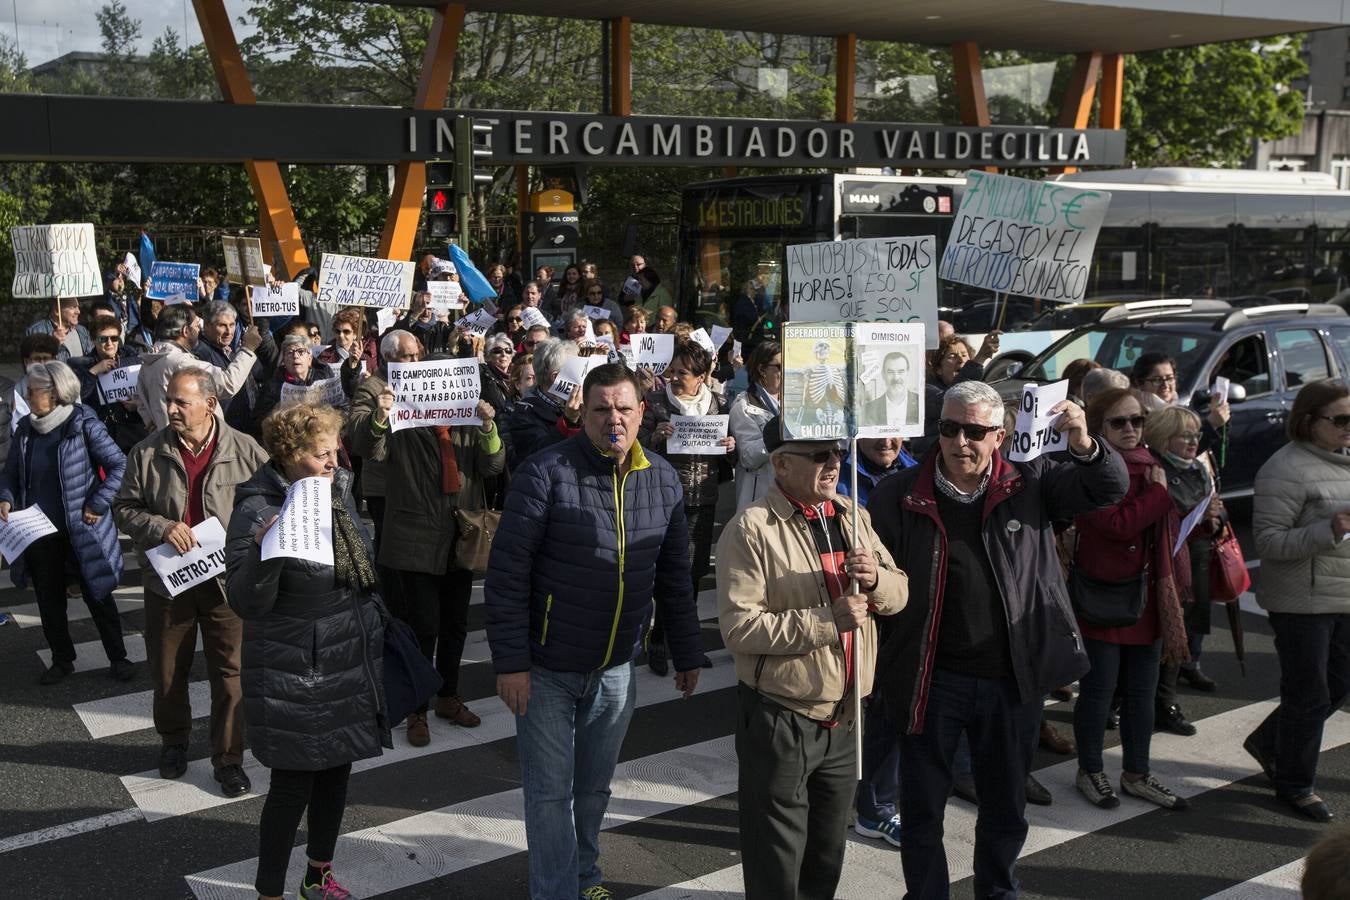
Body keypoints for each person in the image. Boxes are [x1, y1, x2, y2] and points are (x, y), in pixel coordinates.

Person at [868, 380, 1128, 899]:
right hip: (929, 679)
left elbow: (1108, 487)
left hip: (1011, 680)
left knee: (1006, 808)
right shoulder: (899, 492)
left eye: (973, 431)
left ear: (1000, 436)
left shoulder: (1030, 481)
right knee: (922, 810)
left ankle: (997, 891)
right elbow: (881, 583)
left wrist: (1084, 444)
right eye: (949, 429)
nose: (959, 442)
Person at [486, 363, 704, 900]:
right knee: (549, 795)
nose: (614, 419)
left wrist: (686, 651)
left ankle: (585, 876)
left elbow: (675, 577)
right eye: (602, 409)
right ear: (582, 412)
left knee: (592, 790)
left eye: (624, 408)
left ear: (641, 412)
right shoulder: (545, 473)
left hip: (615, 670)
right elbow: (507, 575)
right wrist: (511, 663)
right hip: (547, 668)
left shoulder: (662, 478)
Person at [717, 415, 908, 896]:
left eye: (838, 453)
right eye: (820, 455)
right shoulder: (751, 529)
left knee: (826, 853)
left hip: (847, 716)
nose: (834, 463)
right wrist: (828, 620)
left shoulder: (851, 513)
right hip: (782, 716)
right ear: (781, 464)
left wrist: (877, 580)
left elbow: (900, 593)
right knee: (777, 861)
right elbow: (740, 628)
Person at [226, 402, 389, 900]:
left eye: (335, 450)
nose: (334, 461)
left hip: (344, 661)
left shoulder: (336, 492)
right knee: (291, 788)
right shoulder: (256, 508)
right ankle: (269, 893)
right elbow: (245, 601)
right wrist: (264, 551)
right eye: (322, 453)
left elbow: (361, 569)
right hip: (294, 672)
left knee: (336, 776)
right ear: (290, 454)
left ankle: (318, 877)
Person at [112, 368, 267, 794]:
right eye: (169, 401)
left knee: (231, 673)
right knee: (167, 670)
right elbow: (124, 508)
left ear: (210, 404)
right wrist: (161, 527)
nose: (171, 409)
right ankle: (174, 742)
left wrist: (253, 536)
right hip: (169, 582)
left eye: (181, 401)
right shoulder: (146, 452)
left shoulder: (245, 449)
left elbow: (271, 502)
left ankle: (229, 759)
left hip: (226, 583)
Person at [366, 367, 505, 743]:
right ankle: (417, 708)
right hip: (416, 541)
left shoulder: (468, 424)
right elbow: (370, 450)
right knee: (423, 627)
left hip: (461, 538)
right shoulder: (403, 424)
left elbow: (493, 465)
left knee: (455, 625)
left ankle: (448, 696)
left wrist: (488, 427)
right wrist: (380, 417)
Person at [1071, 387, 1192, 811]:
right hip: (1104, 594)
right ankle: (1090, 769)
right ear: (1098, 427)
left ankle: (1137, 773)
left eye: (1137, 420)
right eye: (1119, 422)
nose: (1130, 429)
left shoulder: (1151, 464)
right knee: (1099, 690)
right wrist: (1157, 496)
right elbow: (1115, 525)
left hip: (1148, 596)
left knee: (1143, 692)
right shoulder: (1089, 468)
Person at [1245, 379, 1350, 822]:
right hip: (1300, 601)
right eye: (1341, 419)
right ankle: (1295, 783)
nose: (1349, 427)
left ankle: (1269, 743)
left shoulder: (1342, 457)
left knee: (1338, 684)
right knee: (1309, 694)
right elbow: (1268, 542)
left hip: (1340, 593)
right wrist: (1330, 530)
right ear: (1309, 421)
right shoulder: (1284, 468)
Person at [0, 360, 130, 684]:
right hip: (39, 534)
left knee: (98, 596)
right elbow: (10, 474)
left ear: (55, 393)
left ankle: (119, 657)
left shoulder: (83, 422)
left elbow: (119, 465)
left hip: (82, 530)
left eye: (33, 391)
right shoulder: (26, 429)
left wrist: (97, 503)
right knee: (49, 601)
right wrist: (6, 498)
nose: (27, 397)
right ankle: (62, 659)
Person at [639, 341, 735, 675]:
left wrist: (731, 446)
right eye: (673, 371)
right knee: (664, 570)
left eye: (684, 373)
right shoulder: (655, 402)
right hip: (664, 500)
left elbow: (732, 460)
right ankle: (657, 640)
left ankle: (686, 644)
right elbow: (635, 447)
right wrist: (653, 438)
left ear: (702, 376)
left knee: (693, 574)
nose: (676, 378)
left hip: (702, 500)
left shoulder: (719, 404)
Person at [1148, 406, 1227, 727]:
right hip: (1165, 567)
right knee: (1161, 638)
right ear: (1164, 438)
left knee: (1179, 637)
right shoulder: (1155, 470)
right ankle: (1142, 702)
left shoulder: (1198, 468)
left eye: (1196, 435)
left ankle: (1166, 703)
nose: (1194, 442)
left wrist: (1215, 518)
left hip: (1196, 563)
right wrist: (1198, 517)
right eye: (1185, 436)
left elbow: (1218, 512)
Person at [136, 304, 263, 430]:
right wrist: (248, 349)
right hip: (192, 439)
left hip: (169, 438)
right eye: (197, 326)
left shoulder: (149, 362)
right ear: (186, 331)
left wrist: (154, 424)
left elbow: (141, 402)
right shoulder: (180, 362)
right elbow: (228, 383)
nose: (199, 330)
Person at [68, 317, 148, 452]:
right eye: (103, 339)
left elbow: (149, 393)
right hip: (104, 436)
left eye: (114, 338)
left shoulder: (134, 360)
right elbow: (76, 398)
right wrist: (93, 372)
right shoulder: (82, 365)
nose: (109, 343)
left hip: (135, 433)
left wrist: (139, 404)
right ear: (93, 340)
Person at [501, 338, 582, 469]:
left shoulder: (582, 405)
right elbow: (539, 457)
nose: (581, 376)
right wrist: (568, 421)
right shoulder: (524, 414)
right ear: (556, 377)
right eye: (576, 370)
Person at [729, 340, 781, 510]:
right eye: (779, 367)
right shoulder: (743, 407)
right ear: (761, 370)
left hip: (790, 493)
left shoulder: (795, 404)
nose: (786, 372)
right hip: (759, 498)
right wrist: (780, 433)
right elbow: (748, 457)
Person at [251, 334, 339, 432]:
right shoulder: (273, 386)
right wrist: (277, 415)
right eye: (290, 352)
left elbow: (343, 407)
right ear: (284, 360)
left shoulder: (325, 376)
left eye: (301, 351)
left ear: (309, 359)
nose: (295, 356)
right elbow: (257, 422)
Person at [838, 436, 918, 507]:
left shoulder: (918, 475)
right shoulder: (836, 481)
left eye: (893, 431)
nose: (886, 442)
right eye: (876, 433)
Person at [862, 350, 921, 427]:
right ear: (883, 375)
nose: (896, 378)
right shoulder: (869, 409)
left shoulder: (920, 403)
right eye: (890, 372)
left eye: (900, 372)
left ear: (908, 373)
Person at [27, 296, 93, 361]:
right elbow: (34, 364)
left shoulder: (82, 331)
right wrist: (52, 345)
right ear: (57, 311)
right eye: (72, 307)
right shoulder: (35, 331)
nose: (78, 312)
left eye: (78, 307)